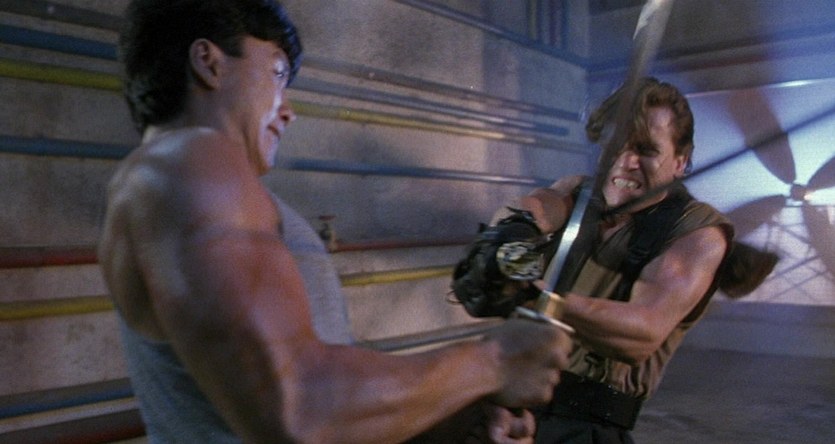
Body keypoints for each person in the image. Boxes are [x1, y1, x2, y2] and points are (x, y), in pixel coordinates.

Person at [98, 1, 572, 443]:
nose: (288, 109)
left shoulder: (198, 186)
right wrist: (493, 361)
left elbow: (321, 390)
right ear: (209, 62)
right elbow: (299, 409)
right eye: (277, 74)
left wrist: (453, 420)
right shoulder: (189, 163)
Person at [489, 77, 734, 443]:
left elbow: (643, 332)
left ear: (680, 162)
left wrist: (537, 297)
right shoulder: (577, 191)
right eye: (616, 145)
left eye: (646, 150)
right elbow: (544, 204)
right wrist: (517, 228)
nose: (626, 161)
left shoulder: (697, 234)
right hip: (508, 397)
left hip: (585, 424)